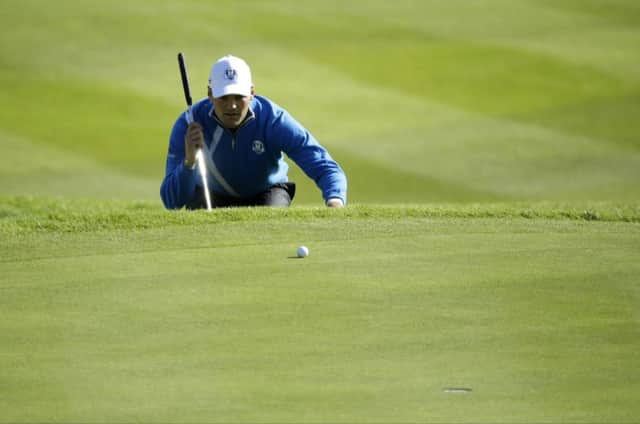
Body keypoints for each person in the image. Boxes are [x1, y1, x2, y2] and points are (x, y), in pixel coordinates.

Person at [160, 54, 347, 209]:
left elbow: (323, 165)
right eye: (223, 97)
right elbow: (171, 202)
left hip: (267, 192)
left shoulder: (272, 119)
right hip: (211, 194)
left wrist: (335, 199)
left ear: (252, 92)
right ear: (210, 94)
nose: (232, 105)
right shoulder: (189, 124)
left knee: (273, 223)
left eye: (239, 96)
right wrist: (189, 163)